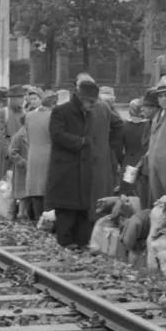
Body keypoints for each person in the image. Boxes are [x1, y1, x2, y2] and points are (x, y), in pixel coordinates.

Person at [46, 80, 121, 249]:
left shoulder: (90, 114)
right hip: (66, 169)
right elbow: (56, 134)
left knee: (82, 207)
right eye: (91, 102)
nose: (93, 105)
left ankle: (80, 242)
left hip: (84, 169)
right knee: (66, 207)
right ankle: (65, 241)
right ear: (81, 98)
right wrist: (80, 142)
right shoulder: (61, 111)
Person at [23, 93, 54, 221]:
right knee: (46, 189)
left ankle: (35, 218)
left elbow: (27, 135)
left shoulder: (29, 116)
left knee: (36, 190)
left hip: (33, 154)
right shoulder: (52, 116)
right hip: (48, 155)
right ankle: (46, 220)